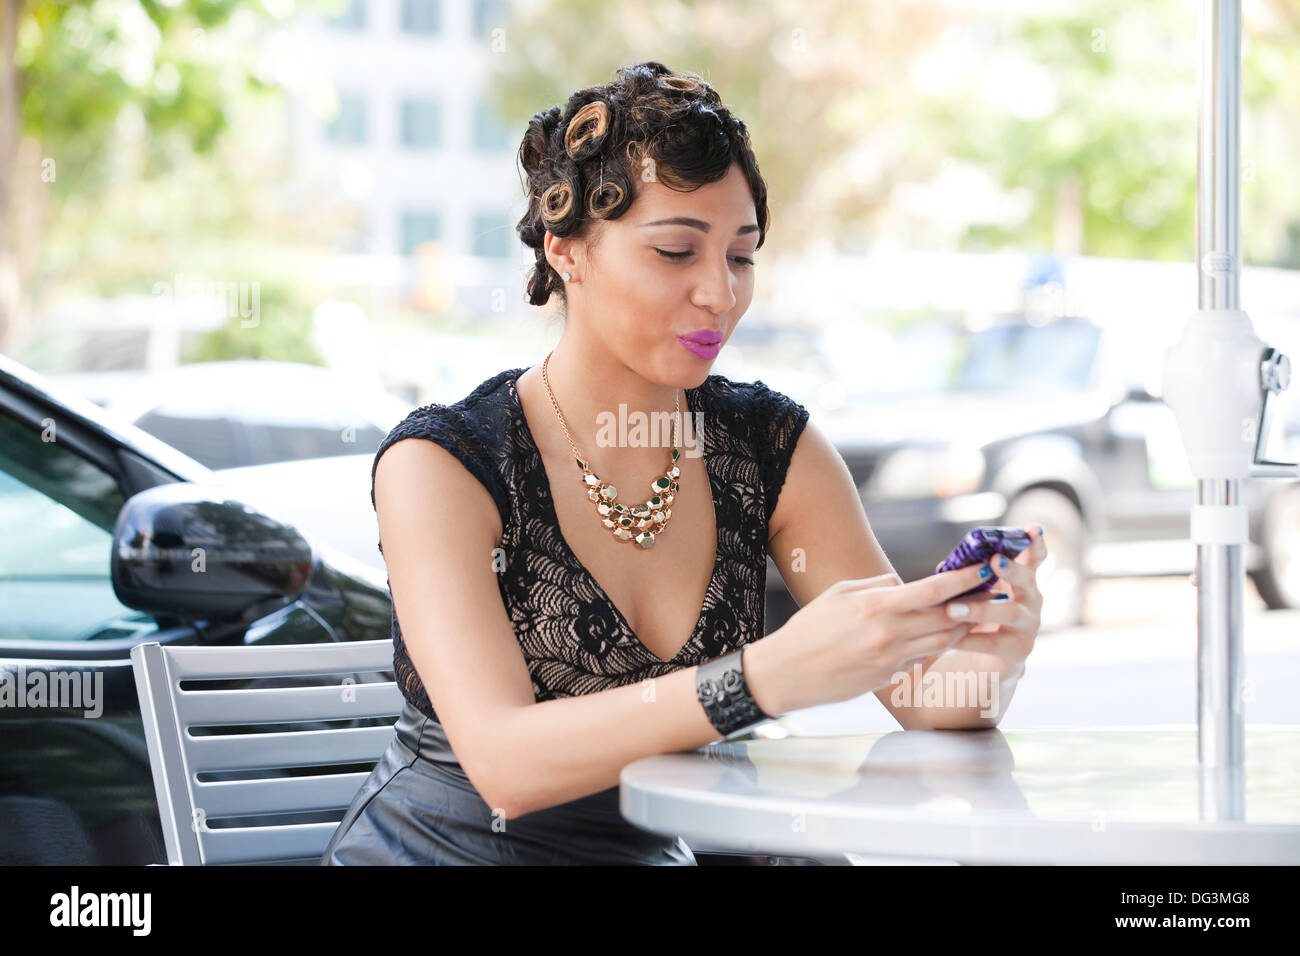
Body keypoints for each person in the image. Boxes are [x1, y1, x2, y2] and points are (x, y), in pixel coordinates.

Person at [321, 60, 1048, 866]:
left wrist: (985, 654)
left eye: (741, 257)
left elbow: (923, 697)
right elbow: (505, 766)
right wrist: (763, 678)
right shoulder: (443, 464)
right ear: (567, 251)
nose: (719, 294)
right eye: (675, 252)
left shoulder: (769, 446)